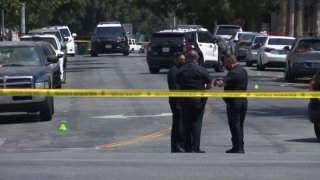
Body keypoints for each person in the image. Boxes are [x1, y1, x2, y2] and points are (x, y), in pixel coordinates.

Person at [176, 50, 212, 153]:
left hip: (184, 100)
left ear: (187, 58)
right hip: (198, 101)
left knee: (186, 124)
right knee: (196, 124)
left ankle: (187, 147)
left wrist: (178, 101)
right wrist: (205, 90)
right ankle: (195, 147)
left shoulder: (181, 70)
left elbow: (177, 86)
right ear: (197, 59)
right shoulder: (201, 70)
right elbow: (210, 83)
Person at [214, 55, 248, 153]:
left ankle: (237, 147)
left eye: (227, 64)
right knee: (240, 124)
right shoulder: (243, 71)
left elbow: (222, 83)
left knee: (235, 125)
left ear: (230, 62)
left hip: (234, 102)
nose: (226, 66)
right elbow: (230, 81)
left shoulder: (233, 72)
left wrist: (216, 82)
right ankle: (240, 145)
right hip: (243, 101)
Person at [167, 53, 186, 152]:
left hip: (179, 100)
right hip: (176, 101)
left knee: (180, 123)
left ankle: (180, 144)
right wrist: (179, 101)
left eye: (184, 60)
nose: (183, 61)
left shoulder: (179, 70)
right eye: (181, 60)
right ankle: (176, 145)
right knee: (178, 124)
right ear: (176, 60)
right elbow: (175, 88)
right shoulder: (174, 71)